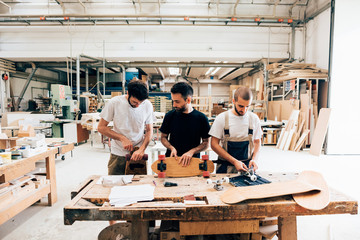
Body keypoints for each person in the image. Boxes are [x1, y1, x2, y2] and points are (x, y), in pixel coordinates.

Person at [98, 80, 153, 175]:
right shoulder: (114, 103)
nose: (137, 105)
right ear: (128, 93)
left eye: (141, 102)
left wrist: (142, 149)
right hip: (118, 154)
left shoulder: (147, 105)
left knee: (138, 187)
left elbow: (149, 131)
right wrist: (122, 138)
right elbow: (101, 127)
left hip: (138, 154)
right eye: (134, 102)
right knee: (114, 185)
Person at [209, 86, 262, 173]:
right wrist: (234, 161)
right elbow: (214, 144)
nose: (244, 110)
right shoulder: (222, 118)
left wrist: (254, 159)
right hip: (225, 167)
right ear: (233, 101)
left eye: (247, 106)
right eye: (241, 106)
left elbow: (257, 142)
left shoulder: (254, 119)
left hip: (247, 167)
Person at [160, 82, 210, 166]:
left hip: (193, 162)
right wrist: (171, 148)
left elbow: (206, 143)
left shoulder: (201, 118)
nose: (174, 105)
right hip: (172, 160)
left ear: (188, 100)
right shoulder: (169, 116)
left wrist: (192, 151)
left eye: (177, 101)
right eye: (173, 101)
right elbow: (163, 137)